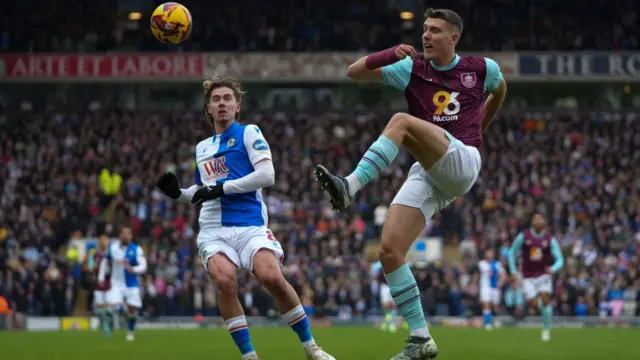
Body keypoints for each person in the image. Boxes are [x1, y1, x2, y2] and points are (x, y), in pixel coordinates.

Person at [315, 8, 507, 360]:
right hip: (431, 170)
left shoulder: (481, 69)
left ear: (454, 38)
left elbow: (501, 87)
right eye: (424, 29)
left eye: (435, 30)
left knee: (401, 121)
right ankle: (421, 339)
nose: (426, 36)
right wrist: (389, 53)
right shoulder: (412, 68)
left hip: (463, 159)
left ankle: (349, 186)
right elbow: (354, 72)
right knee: (389, 251)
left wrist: (479, 128)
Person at [155, 76, 335, 360]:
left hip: (250, 224)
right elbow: (201, 192)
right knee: (225, 281)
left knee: (271, 276)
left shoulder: (249, 133)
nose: (222, 103)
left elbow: (267, 176)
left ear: (237, 107)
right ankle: (249, 356)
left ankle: (311, 347)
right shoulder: (202, 148)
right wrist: (177, 194)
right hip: (214, 229)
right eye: (216, 100)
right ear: (208, 110)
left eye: (228, 99)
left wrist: (223, 187)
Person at [508, 213, 564, 342]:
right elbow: (511, 252)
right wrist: (513, 270)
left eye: (540, 218)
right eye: (535, 218)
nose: (537, 220)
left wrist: (553, 268)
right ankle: (543, 311)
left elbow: (560, 259)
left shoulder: (550, 239)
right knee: (534, 304)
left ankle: (546, 329)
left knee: (545, 299)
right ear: (532, 221)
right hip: (527, 276)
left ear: (545, 222)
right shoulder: (524, 236)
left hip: (543, 274)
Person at [98, 226, 147, 341]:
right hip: (116, 283)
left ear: (131, 236)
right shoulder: (113, 248)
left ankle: (130, 332)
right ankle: (123, 310)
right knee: (113, 305)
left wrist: (134, 269)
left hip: (131, 284)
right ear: (120, 235)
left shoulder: (136, 249)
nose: (126, 235)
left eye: (128, 233)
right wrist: (101, 276)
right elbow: (105, 261)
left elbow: (143, 265)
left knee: (133, 310)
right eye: (123, 233)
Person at [85, 234, 114, 336]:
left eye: (104, 240)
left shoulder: (112, 254)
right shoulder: (94, 255)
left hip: (110, 284)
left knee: (107, 307)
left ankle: (110, 322)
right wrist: (93, 267)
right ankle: (106, 328)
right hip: (98, 284)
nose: (102, 242)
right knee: (100, 309)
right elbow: (89, 267)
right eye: (101, 240)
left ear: (107, 242)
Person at [477, 249, 506, 330]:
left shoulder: (497, 264)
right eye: (488, 254)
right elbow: (477, 273)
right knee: (486, 304)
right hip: (485, 287)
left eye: (491, 254)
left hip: (495, 288)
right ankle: (488, 324)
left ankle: (492, 320)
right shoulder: (481, 264)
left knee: (494, 306)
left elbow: (503, 274)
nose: (489, 256)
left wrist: (500, 282)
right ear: (485, 255)